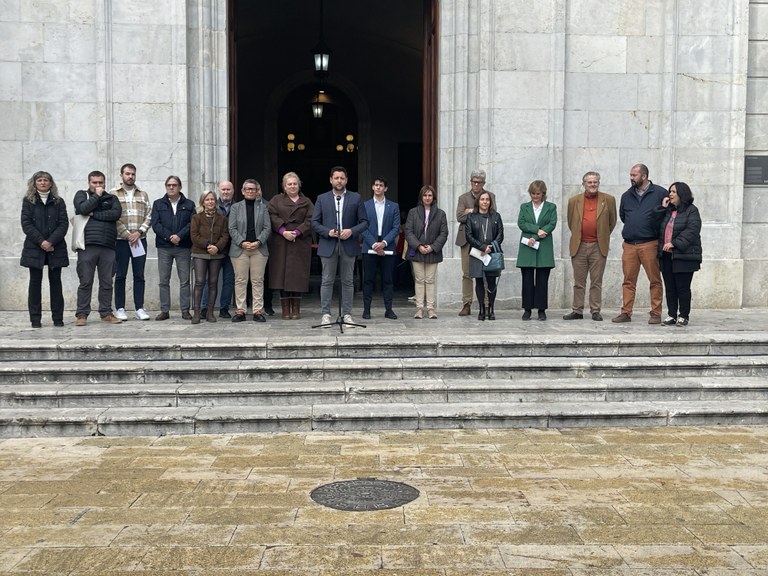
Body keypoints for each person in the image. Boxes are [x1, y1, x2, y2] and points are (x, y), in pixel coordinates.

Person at [311, 166, 368, 326]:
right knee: (327, 280)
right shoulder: (322, 198)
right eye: (336, 178)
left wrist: (351, 231)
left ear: (346, 180)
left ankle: (347, 314)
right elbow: (314, 222)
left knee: (348, 281)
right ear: (331, 180)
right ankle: (325, 314)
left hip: (348, 244)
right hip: (328, 244)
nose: (339, 181)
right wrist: (327, 232)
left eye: (342, 178)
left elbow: (364, 222)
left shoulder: (356, 198)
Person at [613, 163, 668, 324]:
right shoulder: (626, 195)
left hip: (649, 243)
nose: (631, 178)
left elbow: (666, 215)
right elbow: (623, 216)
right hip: (629, 244)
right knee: (628, 281)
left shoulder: (660, 193)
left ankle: (656, 313)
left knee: (655, 280)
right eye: (630, 175)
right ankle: (626, 312)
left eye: (634, 175)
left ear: (644, 176)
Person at [563, 171, 617, 321]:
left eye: (595, 182)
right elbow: (571, 222)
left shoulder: (608, 200)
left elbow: (612, 222)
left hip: (598, 246)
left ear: (598, 183)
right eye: (590, 182)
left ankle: (595, 310)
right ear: (584, 184)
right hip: (579, 245)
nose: (593, 185)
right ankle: (577, 310)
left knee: (596, 281)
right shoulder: (574, 201)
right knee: (578, 282)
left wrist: (602, 236)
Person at [73, 170, 123, 326]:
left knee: (107, 282)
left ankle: (106, 312)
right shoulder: (81, 195)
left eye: (100, 182)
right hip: (87, 245)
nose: (98, 185)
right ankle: (82, 314)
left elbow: (115, 214)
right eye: (94, 182)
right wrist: (96, 196)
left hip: (108, 246)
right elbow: (82, 209)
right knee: (85, 281)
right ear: (89, 183)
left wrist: (93, 214)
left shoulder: (112, 198)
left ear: (105, 183)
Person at [20, 171, 69, 328]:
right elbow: (26, 223)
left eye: (46, 180)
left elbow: (63, 223)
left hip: (56, 247)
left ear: (51, 183)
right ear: (34, 183)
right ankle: (35, 320)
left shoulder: (59, 202)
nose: (43, 183)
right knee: (35, 283)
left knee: (56, 283)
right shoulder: (28, 201)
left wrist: (51, 241)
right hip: (35, 248)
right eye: (39, 180)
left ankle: (58, 318)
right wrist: (42, 242)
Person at [268, 172, 314, 320]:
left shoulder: (306, 201)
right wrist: (283, 231)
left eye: (295, 184)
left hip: (300, 241)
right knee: (282, 275)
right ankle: (285, 310)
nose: (292, 186)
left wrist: (298, 231)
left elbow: (311, 219)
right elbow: (271, 216)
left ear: (299, 185)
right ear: (284, 186)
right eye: (289, 184)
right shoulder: (276, 200)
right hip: (281, 241)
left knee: (297, 275)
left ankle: (296, 309)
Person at [655, 182, 702, 327]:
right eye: (670, 191)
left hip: (683, 255)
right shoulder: (668, 211)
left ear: (682, 194)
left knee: (682, 288)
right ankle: (671, 315)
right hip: (667, 255)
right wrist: (662, 208)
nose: (670, 194)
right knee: (670, 287)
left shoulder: (692, 210)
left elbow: (692, 230)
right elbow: (655, 224)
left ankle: (683, 315)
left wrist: (675, 243)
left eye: (673, 192)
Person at [151, 175, 196, 321]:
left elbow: (192, 223)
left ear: (180, 187)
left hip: (183, 247)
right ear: (166, 187)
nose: (171, 187)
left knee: (185, 281)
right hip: (164, 246)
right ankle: (164, 310)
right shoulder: (158, 204)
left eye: (174, 185)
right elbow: (155, 224)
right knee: (164, 280)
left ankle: (185, 310)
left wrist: (180, 236)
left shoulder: (189, 204)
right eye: (169, 185)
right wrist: (170, 236)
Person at [111, 163, 152, 321]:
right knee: (120, 274)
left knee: (139, 275)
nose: (130, 177)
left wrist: (139, 232)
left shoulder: (143, 194)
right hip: (121, 241)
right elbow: (112, 217)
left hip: (139, 240)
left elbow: (149, 215)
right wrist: (127, 234)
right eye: (127, 174)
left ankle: (139, 308)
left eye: (133, 174)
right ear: (121, 175)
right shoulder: (113, 193)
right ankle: (120, 308)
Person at [228, 179, 271, 323]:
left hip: (259, 249)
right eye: (247, 189)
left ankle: (258, 310)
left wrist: (258, 241)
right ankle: (241, 310)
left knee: (257, 280)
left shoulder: (263, 207)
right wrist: (242, 242)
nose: (250, 191)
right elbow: (232, 228)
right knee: (240, 280)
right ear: (242, 191)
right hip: (240, 249)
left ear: (257, 191)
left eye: (253, 189)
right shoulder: (235, 207)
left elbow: (267, 228)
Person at [404, 186, 449, 319]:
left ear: (433, 197)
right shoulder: (413, 212)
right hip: (417, 251)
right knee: (419, 279)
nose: (427, 198)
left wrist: (432, 247)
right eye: (425, 195)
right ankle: (419, 308)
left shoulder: (441, 214)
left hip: (433, 251)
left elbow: (444, 233)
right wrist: (418, 246)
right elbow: (408, 231)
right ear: (421, 197)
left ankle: (430, 308)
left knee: (430, 280)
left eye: (430, 195)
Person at [455, 169, 496, 316]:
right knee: (467, 273)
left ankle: (485, 304)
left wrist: (471, 210)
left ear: (484, 183)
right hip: (466, 240)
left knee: (484, 273)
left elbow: (492, 214)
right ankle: (467, 303)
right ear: (471, 182)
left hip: (484, 241)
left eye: (479, 182)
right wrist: (477, 211)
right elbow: (459, 216)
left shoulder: (490, 196)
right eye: (474, 181)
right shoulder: (463, 198)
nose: (476, 184)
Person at [516, 180, 557, 321]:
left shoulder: (551, 207)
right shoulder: (524, 207)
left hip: (543, 247)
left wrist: (536, 236)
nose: (535, 196)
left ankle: (541, 309)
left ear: (543, 193)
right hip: (527, 246)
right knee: (527, 280)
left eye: (538, 194)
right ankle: (527, 309)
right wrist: (536, 230)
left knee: (542, 281)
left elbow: (552, 224)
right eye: (532, 193)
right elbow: (521, 223)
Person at [361, 176, 400, 320]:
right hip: (369, 246)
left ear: (385, 188)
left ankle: (389, 310)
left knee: (388, 280)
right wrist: (374, 244)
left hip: (387, 246)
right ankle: (366, 310)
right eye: (376, 185)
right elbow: (362, 226)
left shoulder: (393, 206)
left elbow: (396, 228)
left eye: (381, 185)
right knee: (368, 280)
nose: (378, 187)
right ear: (372, 187)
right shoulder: (365, 205)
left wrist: (383, 243)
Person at [190, 191, 230, 324]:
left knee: (213, 282)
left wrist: (217, 247)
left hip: (216, 254)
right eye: (207, 200)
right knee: (200, 282)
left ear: (216, 202)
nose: (210, 202)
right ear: (203, 202)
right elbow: (194, 235)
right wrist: (207, 245)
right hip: (200, 253)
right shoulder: (196, 218)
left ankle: (210, 312)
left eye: (212, 199)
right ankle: (197, 313)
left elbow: (225, 235)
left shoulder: (222, 219)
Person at [465, 190, 504, 321]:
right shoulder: (471, 217)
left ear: (490, 202)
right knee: (479, 281)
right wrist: (482, 247)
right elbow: (468, 235)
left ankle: (491, 309)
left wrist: (490, 247)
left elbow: (500, 234)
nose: (485, 202)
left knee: (492, 282)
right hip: (477, 253)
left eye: (487, 199)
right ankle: (482, 309)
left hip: (492, 253)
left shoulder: (496, 216)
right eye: (482, 199)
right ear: (478, 201)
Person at [201, 180, 235, 319]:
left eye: (228, 189)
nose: (226, 192)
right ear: (219, 191)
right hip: (213, 249)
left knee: (228, 280)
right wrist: (211, 246)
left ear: (233, 191)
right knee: (208, 280)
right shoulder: (212, 206)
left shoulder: (238, 207)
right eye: (223, 189)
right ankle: (204, 308)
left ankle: (224, 308)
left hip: (232, 249)